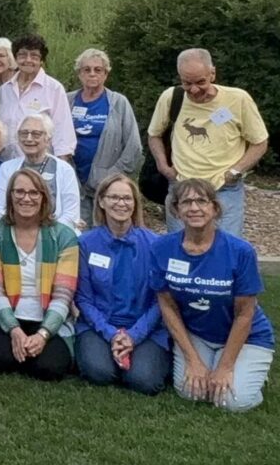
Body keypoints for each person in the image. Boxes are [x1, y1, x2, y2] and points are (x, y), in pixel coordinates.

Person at [153, 179, 273, 412]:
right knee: (191, 392)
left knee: (231, 402)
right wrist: (193, 360)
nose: (194, 208)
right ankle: (218, 364)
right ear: (176, 209)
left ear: (215, 208)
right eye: (186, 202)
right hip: (197, 334)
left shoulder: (240, 251)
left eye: (201, 201)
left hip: (246, 336)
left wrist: (225, 368)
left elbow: (245, 314)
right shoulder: (162, 248)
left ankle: (247, 372)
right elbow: (167, 305)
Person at [148, 48, 268, 237]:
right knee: (181, 248)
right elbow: (154, 134)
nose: (194, 90)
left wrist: (235, 171)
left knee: (226, 248)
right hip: (182, 186)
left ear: (212, 74)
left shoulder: (238, 99)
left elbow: (259, 142)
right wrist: (163, 166)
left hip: (223, 188)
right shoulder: (171, 97)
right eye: (187, 83)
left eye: (200, 82)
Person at [0, 169, 79, 381]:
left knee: (49, 368)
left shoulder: (64, 236)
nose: (26, 198)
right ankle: (19, 343)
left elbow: (63, 294)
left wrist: (43, 334)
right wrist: (14, 329)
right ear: (10, 197)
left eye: (34, 193)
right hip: (7, 315)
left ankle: (37, 344)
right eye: (19, 192)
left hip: (48, 316)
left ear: (44, 197)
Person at [75, 174, 169, 395]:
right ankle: (112, 355)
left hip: (146, 327)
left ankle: (140, 359)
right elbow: (84, 299)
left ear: (135, 203)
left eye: (127, 198)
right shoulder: (85, 244)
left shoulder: (155, 245)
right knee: (100, 373)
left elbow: (160, 301)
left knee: (143, 380)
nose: (121, 203)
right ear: (101, 201)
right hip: (98, 326)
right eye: (114, 197)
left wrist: (133, 335)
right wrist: (112, 334)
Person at [66, 48, 143, 217]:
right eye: (87, 70)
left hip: (108, 187)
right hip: (73, 183)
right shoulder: (67, 100)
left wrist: (111, 176)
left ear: (106, 74)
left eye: (98, 70)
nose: (92, 74)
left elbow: (134, 147)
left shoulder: (118, 103)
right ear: (79, 74)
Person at [0, 114, 81, 230]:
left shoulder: (65, 170)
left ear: (48, 139)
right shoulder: (6, 168)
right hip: (16, 232)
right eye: (24, 133)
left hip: (55, 235)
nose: (29, 139)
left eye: (36, 134)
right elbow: (1, 210)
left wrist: (46, 235)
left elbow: (71, 214)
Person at [0, 35, 75, 159]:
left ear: (41, 60)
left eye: (34, 56)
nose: (28, 60)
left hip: (40, 165)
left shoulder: (54, 89)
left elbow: (64, 133)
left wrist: (59, 167)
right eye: (22, 55)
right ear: (15, 58)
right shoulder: (5, 90)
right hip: (6, 163)